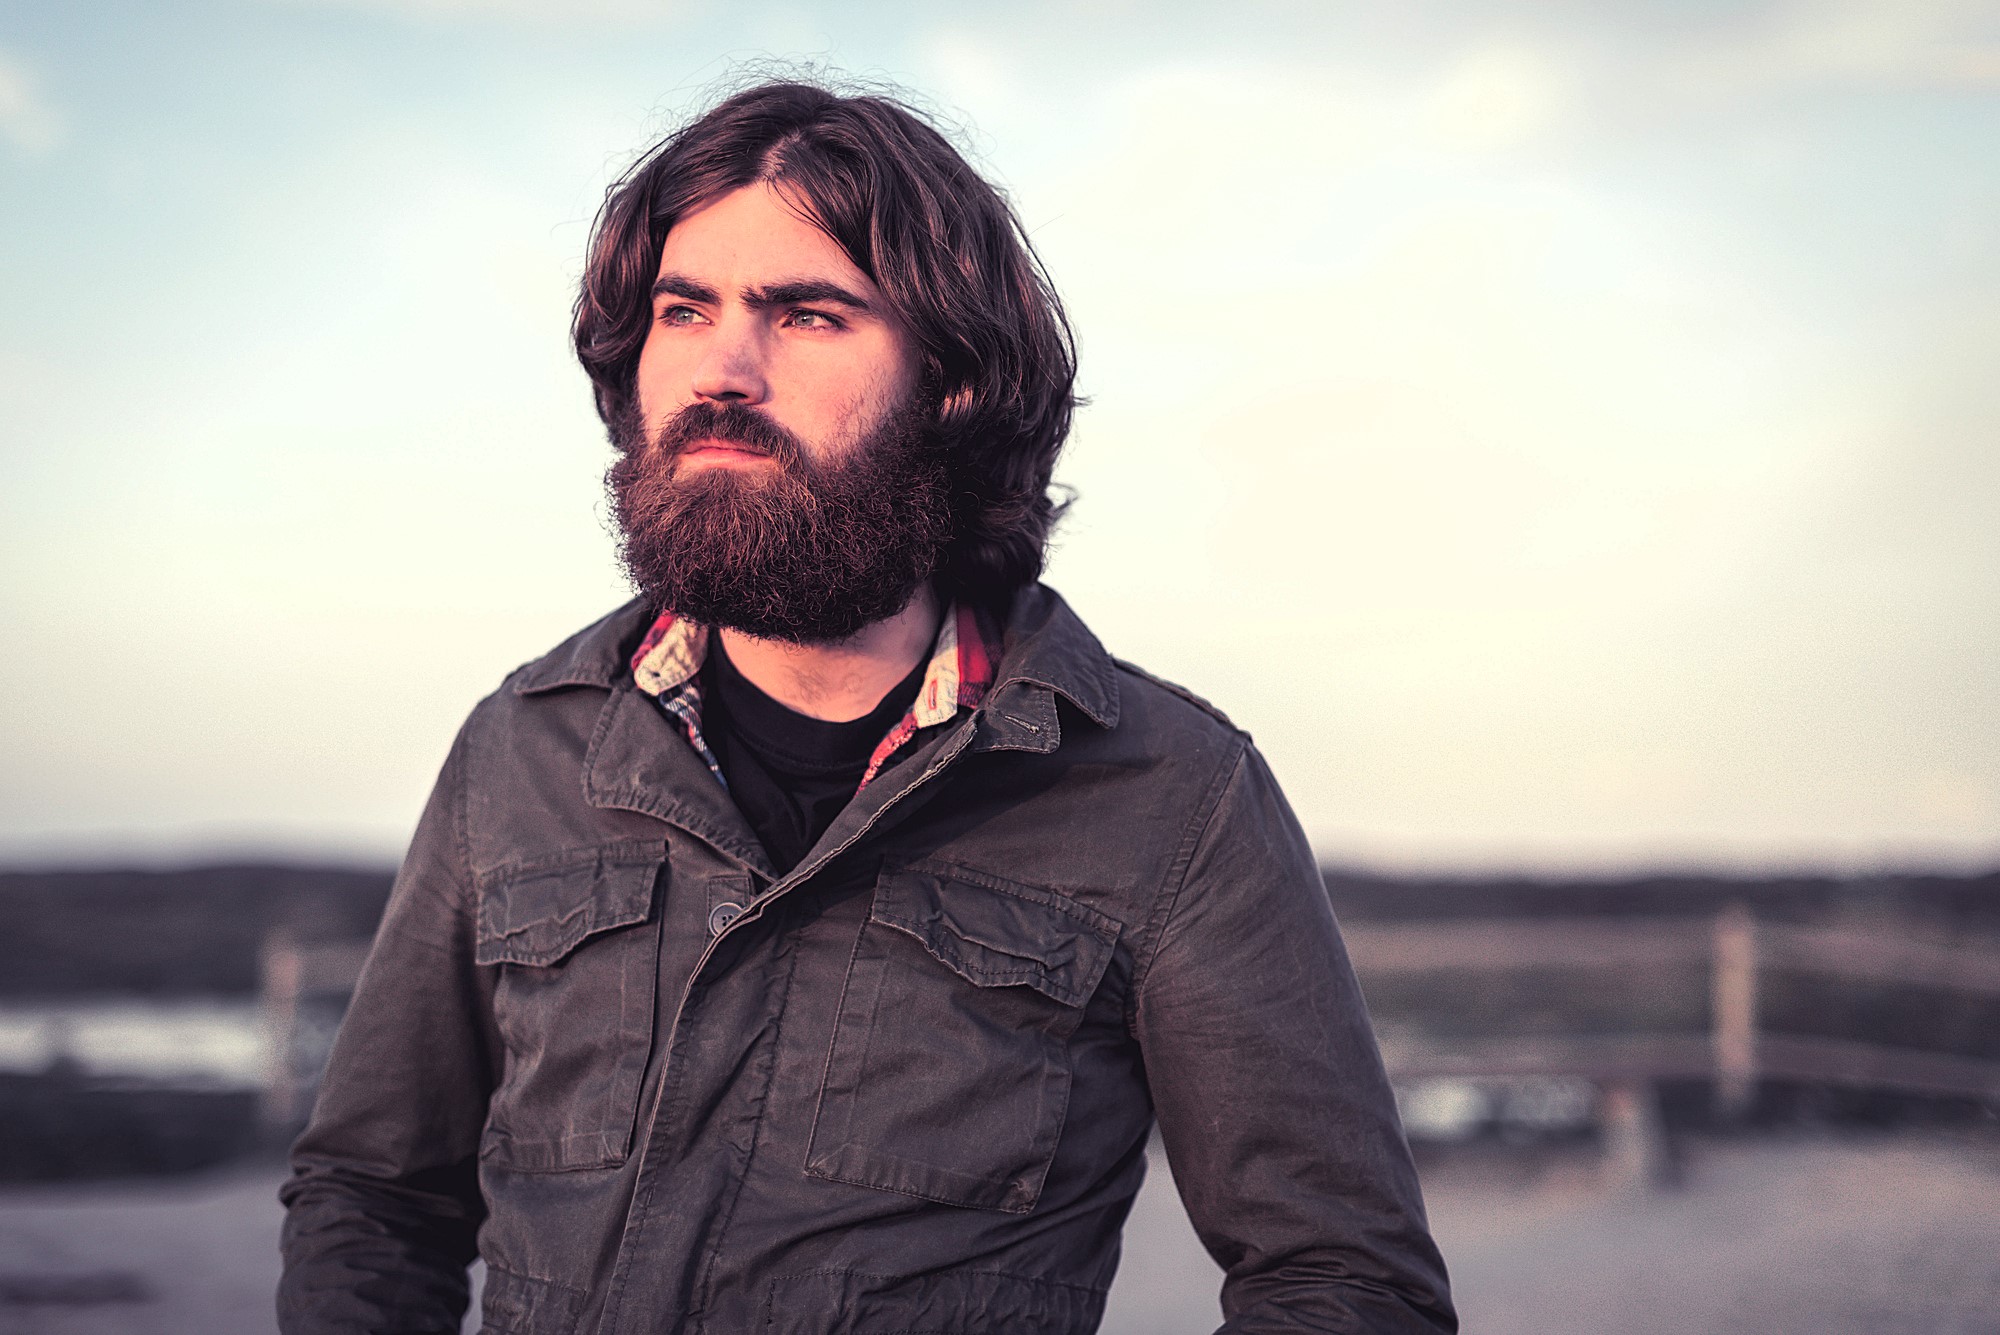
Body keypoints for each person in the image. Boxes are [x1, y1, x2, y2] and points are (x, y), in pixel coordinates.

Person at [278, 79, 1455, 1335]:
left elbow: (1341, 1282)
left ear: (948, 384)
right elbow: (373, 1194)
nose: (723, 370)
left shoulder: (1171, 795)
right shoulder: (521, 747)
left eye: (807, 314)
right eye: (685, 310)